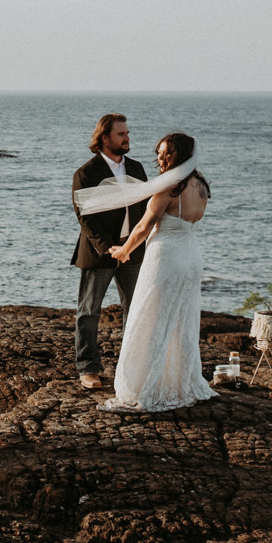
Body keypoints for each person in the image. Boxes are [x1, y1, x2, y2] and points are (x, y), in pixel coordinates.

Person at [86, 132, 216, 413]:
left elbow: (144, 226)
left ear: (179, 154)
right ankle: (180, 381)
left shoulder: (168, 188)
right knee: (181, 320)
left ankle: (145, 384)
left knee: (149, 318)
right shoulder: (201, 185)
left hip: (166, 256)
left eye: (166, 153)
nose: (159, 158)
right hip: (191, 256)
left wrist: (124, 251)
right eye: (158, 152)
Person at [70, 113, 150, 391]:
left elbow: (147, 210)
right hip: (99, 253)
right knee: (89, 311)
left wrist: (134, 245)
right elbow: (85, 219)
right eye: (121, 134)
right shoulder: (86, 173)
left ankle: (130, 369)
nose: (127, 138)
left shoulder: (138, 169)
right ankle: (88, 368)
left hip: (134, 251)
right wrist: (110, 248)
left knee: (135, 310)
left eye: (127, 133)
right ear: (105, 138)